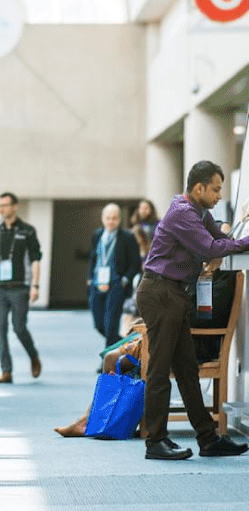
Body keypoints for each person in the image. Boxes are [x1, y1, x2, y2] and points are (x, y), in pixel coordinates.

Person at [137, 160, 249, 460]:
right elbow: (211, 249)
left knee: (187, 369)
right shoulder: (183, 214)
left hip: (172, 293)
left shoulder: (199, 211)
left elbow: (220, 240)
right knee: (160, 370)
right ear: (198, 187)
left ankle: (208, 438)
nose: (218, 195)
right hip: (160, 292)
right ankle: (155, 441)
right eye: (215, 189)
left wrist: (240, 235)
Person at [0, 192, 43, 384]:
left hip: (20, 287)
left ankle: (33, 355)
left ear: (15, 207)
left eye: (5, 205)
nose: (2, 209)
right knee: (0, 328)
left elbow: (35, 260)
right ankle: (6, 371)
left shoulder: (28, 231)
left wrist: (35, 286)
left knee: (19, 327)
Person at [87, 204, 141, 348]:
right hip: (97, 283)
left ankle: (107, 360)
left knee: (111, 324)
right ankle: (123, 345)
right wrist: (90, 278)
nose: (111, 221)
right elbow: (93, 257)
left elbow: (135, 263)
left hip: (116, 284)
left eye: (114, 218)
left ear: (119, 219)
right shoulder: (97, 235)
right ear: (103, 218)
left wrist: (125, 280)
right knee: (99, 324)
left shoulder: (127, 237)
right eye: (108, 218)